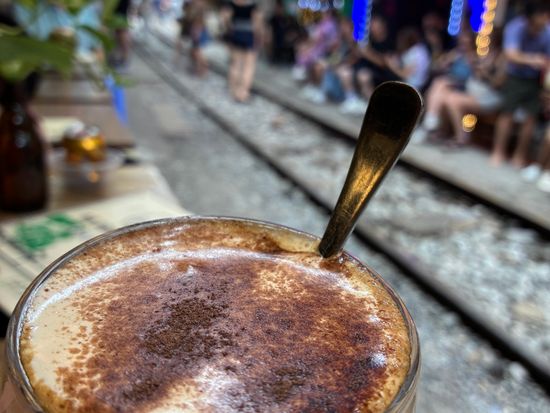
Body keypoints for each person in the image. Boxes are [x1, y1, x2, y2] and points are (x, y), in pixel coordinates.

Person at [490, 1, 550, 167]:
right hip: (515, 77)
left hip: (536, 81)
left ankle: (519, 156)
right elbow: (511, 54)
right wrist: (533, 60)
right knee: (507, 114)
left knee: (531, 118)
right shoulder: (515, 27)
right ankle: (498, 152)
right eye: (541, 14)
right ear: (531, 16)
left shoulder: (547, 32)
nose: (545, 17)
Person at [434, 29, 506, 146]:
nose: (485, 37)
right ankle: (442, 131)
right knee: (445, 96)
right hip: (474, 93)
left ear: (496, 38)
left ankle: (461, 138)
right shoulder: (485, 53)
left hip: (489, 97)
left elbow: (498, 83)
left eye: (489, 35)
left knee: (453, 100)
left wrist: (484, 74)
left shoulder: (502, 57)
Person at [411, 29, 476, 141]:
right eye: (462, 42)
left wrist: (470, 62)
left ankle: (429, 123)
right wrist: (447, 59)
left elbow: (472, 77)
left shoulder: (474, 57)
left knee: (439, 84)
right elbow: (437, 66)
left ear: (471, 43)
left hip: (463, 86)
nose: (464, 45)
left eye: (466, 43)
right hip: (449, 83)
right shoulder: (456, 54)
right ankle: (431, 125)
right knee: (439, 92)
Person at [336, 15, 397, 115]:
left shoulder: (390, 42)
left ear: (382, 25)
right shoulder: (369, 40)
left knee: (363, 75)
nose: (372, 27)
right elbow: (356, 56)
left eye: (375, 24)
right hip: (363, 68)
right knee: (344, 71)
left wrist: (367, 54)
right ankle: (352, 100)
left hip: (383, 74)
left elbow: (384, 63)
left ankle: (373, 108)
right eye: (371, 24)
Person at [221, 0, 263, 103]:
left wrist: (230, 28)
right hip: (249, 35)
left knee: (235, 64)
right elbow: (257, 24)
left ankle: (233, 90)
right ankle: (243, 93)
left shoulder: (232, 4)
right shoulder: (253, 6)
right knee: (248, 66)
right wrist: (259, 37)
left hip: (236, 33)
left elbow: (225, 18)